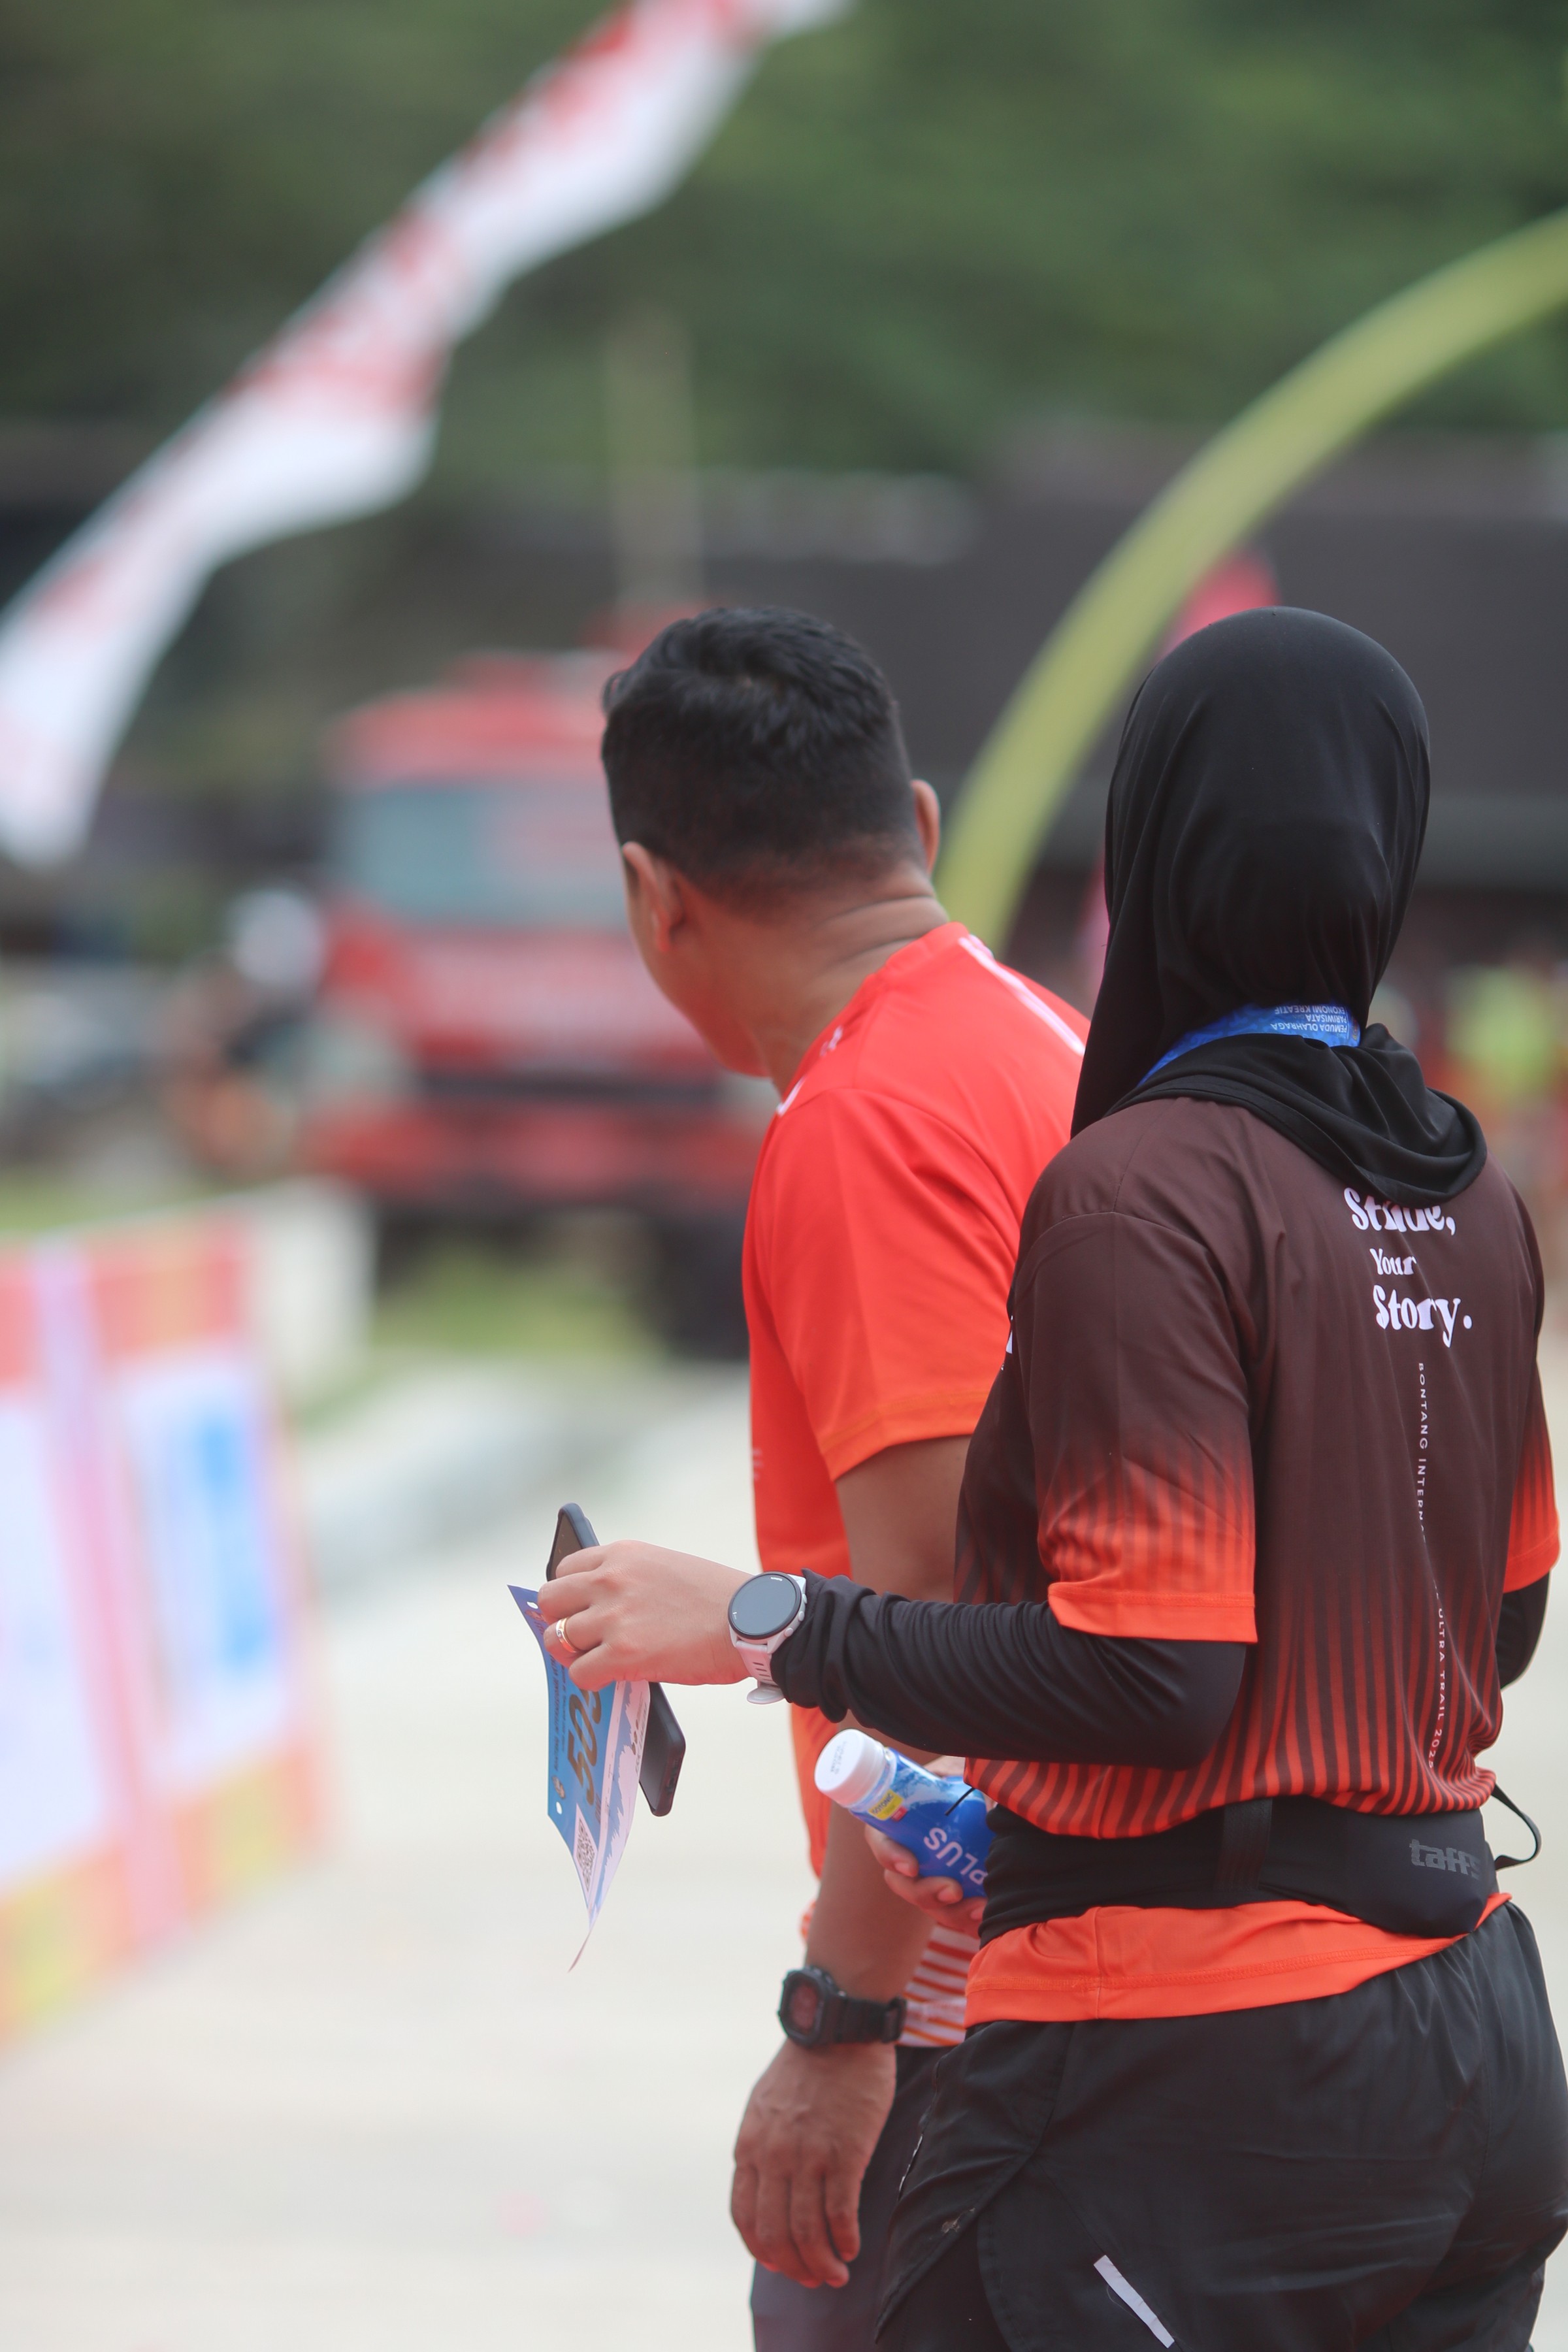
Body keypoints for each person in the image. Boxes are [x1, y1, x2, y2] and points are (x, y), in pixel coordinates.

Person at [542, 607, 1568, 2349]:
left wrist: (764, 1635)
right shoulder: (1460, 1190)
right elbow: (1499, 1612)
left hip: (1186, 2054)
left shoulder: (1113, 1173)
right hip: (1468, 2021)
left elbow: (1123, 1660)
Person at [596, 607, 1086, 2345]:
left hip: (981, 2005)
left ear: (657, 897)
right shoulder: (1056, 1043)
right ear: (923, 826)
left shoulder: (865, 1120)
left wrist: (846, 2016)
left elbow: (941, 1617)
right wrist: (741, 1617)